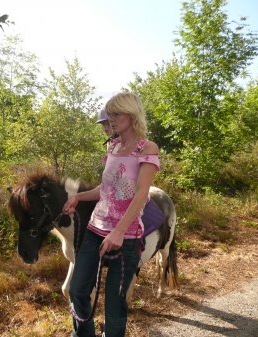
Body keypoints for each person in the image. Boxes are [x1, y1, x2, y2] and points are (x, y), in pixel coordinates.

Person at [63, 92, 159, 337]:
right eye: (110, 114)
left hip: (125, 238)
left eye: (116, 114)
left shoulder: (146, 148)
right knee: (77, 290)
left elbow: (141, 194)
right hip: (95, 231)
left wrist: (118, 232)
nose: (111, 119)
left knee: (115, 306)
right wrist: (77, 197)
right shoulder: (114, 146)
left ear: (131, 114)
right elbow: (104, 190)